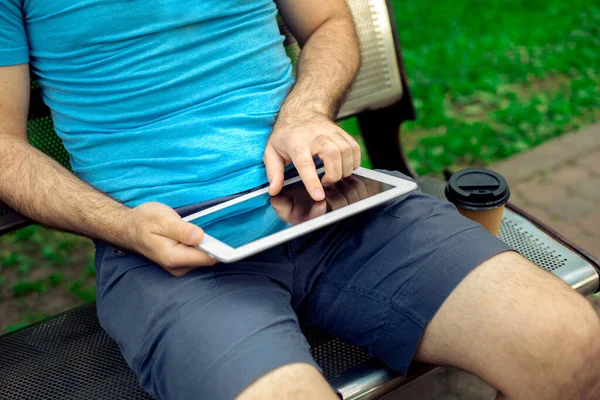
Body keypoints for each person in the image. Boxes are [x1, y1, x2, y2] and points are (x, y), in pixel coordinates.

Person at [1, 1, 599, 399]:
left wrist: (306, 110)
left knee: (571, 344)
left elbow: (331, 24)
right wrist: (122, 226)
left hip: (331, 199)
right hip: (168, 252)